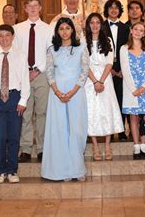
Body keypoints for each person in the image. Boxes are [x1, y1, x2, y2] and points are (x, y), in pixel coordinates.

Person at [41, 18, 90, 181]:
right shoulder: (51, 50)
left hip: (76, 93)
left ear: (72, 30)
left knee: (77, 130)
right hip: (57, 94)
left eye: (67, 28)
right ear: (57, 32)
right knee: (60, 130)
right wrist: (57, 91)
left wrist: (72, 91)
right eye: (61, 28)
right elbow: (49, 72)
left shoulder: (81, 48)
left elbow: (84, 72)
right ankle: (63, 170)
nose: (64, 31)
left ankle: (77, 168)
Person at [0, 25, 30, 184]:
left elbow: (25, 79)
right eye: (1, 36)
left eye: (7, 35)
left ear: (12, 36)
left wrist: (23, 100)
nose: (4, 38)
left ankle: (12, 170)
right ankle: (1, 170)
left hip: (15, 98)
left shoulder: (21, 56)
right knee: (0, 136)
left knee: (14, 136)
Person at [14, 0, 53, 163]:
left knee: (42, 113)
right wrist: (24, 71)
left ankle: (43, 148)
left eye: (36, 5)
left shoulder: (48, 28)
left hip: (41, 74)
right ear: (25, 9)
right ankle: (26, 148)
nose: (32, 8)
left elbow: (50, 53)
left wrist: (37, 70)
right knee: (25, 112)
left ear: (40, 8)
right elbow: (15, 53)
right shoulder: (17, 29)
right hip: (23, 75)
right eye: (29, 6)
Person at [85, 13, 124, 161]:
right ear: (88, 25)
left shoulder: (107, 40)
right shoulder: (83, 41)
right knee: (91, 111)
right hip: (89, 79)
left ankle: (107, 145)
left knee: (107, 109)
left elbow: (109, 62)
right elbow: (84, 64)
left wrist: (101, 81)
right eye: (92, 23)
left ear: (101, 25)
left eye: (97, 23)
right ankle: (95, 145)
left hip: (105, 77)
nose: (95, 25)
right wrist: (94, 81)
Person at [120, 22, 145, 160]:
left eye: (142, 30)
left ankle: (144, 146)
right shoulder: (124, 48)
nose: (139, 32)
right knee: (133, 117)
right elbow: (125, 69)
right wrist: (134, 89)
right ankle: (136, 146)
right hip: (130, 89)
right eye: (136, 29)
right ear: (131, 31)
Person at [102, 0, 130, 142]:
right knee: (107, 100)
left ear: (119, 10)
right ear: (106, 10)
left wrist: (121, 70)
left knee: (120, 99)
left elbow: (128, 49)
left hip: (121, 69)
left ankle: (121, 130)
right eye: (110, 8)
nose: (113, 10)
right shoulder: (100, 27)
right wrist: (109, 69)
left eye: (116, 8)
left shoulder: (126, 28)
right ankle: (108, 130)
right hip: (104, 69)